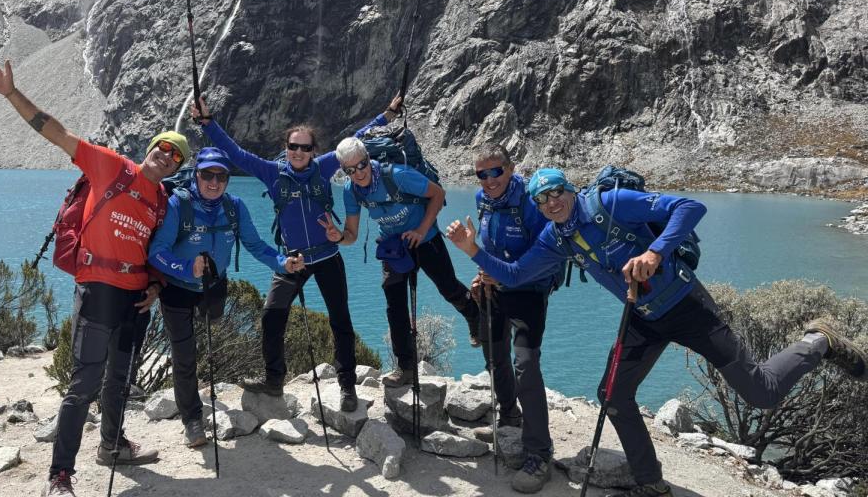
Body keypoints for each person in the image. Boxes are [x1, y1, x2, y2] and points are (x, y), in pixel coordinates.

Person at [446, 167, 868, 497]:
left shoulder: (610, 203)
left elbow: (689, 207)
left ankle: (819, 340)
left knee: (762, 393)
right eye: (542, 198)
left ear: (570, 189)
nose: (551, 201)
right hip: (642, 318)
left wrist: (654, 251)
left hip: (687, 307)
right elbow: (517, 274)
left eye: (557, 191)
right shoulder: (559, 238)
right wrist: (473, 251)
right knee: (612, 396)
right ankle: (651, 483)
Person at [0, 56, 189, 497]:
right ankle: (60, 474)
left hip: (134, 298)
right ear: (151, 147)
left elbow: (157, 251)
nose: (166, 157)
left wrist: (154, 285)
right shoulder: (110, 166)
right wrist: (11, 92)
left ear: (176, 168)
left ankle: (112, 446)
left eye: (175, 157)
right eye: (163, 148)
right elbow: (54, 131)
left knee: (120, 378)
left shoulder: (162, 201)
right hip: (96, 289)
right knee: (85, 382)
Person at [190, 96, 375, 411]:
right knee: (272, 316)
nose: (299, 152)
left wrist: (386, 115)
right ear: (286, 147)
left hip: (328, 256)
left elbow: (355, 141)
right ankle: (274, 380)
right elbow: (236, 153)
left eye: (305, 148)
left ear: (313, 151)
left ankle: (347, 387)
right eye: (293, 146)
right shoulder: (272, 172)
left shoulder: (326, 165)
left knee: (340, 320)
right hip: (292, 260)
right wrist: (208, 122)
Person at [147, 147, 305, 448]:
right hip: (178, 290)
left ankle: (197, 394)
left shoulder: (235, 207)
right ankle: (192, 420)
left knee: (213, 320)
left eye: (221, 176)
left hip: (215, 286)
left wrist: (283, 262)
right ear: (197, 175)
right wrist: (185, 267)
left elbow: (257, 246)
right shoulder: (179, 205)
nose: (214, 182)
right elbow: (157, 252)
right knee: (185, 356)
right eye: (207, 174)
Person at [333, 134, 481, 388]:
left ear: (368, 159)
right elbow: (351, 235)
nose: (358, 173)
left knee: (448, 288)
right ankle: (405, 368)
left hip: (427, 239)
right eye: (350, 170)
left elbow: (437, 194)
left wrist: (422, 230)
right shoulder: (351, 191)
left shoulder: (398, 175)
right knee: (394, 304)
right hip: (394, 247)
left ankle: (475, 317)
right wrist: (336, 237)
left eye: (361, 165)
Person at [470, 145, 559, 494]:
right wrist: (484, 273)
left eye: (496, 172)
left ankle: (539, 453)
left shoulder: (531, 204)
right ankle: (509, 415)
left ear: (510, 168)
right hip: (495, 291)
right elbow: (490, 245)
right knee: (493, 356)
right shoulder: (483, 200)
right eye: (482, 174)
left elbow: (545, 255)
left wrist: (504, 275)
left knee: (526, 366)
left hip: (528, 294)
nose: (489, 180)